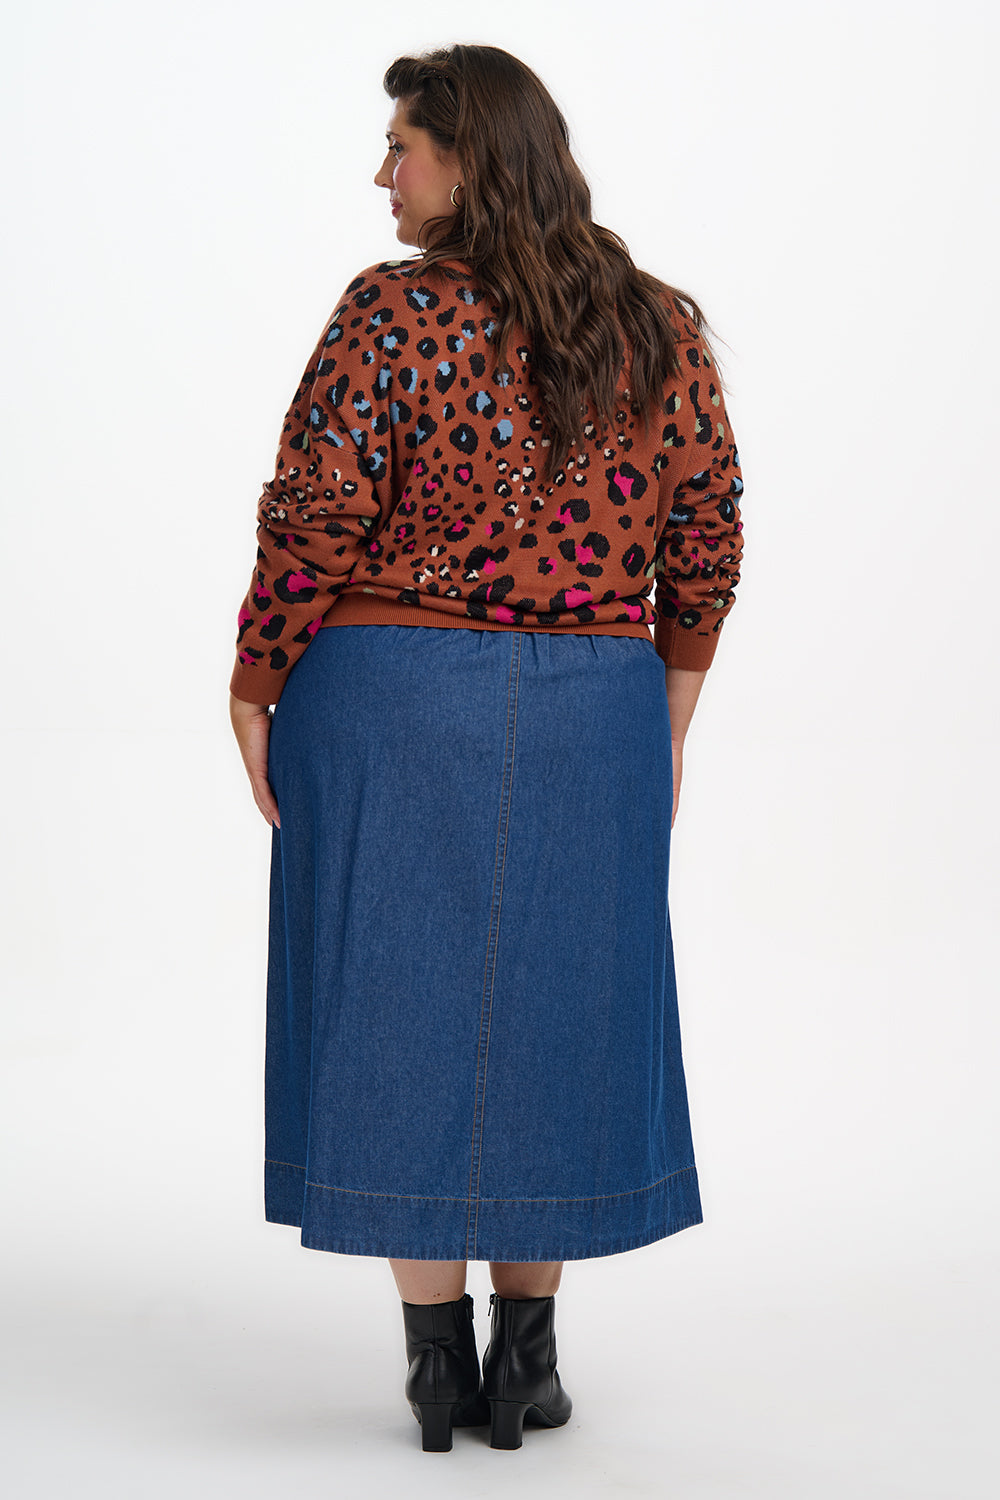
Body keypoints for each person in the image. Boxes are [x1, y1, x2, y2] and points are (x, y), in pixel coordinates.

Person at [229, 43, 744, 1454]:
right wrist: (668, 707)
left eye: (402, 146)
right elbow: (706, 536)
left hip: (389, 697)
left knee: (390, 1001)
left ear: (469, 162)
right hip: (597, 704)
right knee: (563, 1008)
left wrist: (257, 675)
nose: (383, 174)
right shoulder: (656, 325)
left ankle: (433, 1364)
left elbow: (317, 511)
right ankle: (529, 1356)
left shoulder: (388, 313)